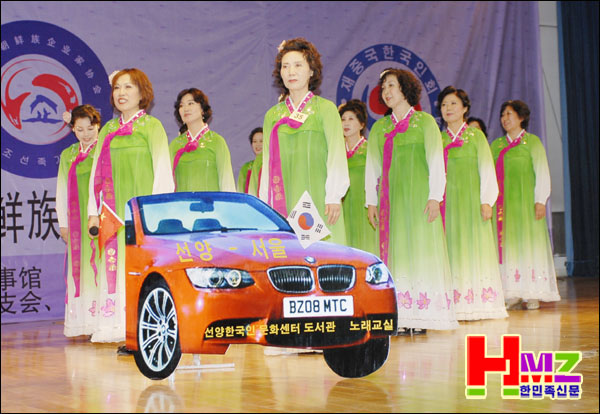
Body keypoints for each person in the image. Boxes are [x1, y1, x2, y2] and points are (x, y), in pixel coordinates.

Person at [365, 68, 457, 334]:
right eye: (383, 87)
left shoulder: (425, 122)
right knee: (398, 252)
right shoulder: (380, 128)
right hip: (391, 202)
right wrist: (371, 201)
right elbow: (372, 168)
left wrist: (435, 197)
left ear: (405, 89)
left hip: (420, 200)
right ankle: (402, 314)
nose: (386, 91)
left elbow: (436, 162)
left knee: (420, 250)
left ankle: (423, 314)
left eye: (391, 85)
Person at [87, 68, 174, 345]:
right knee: (114, 266)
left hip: (142, 214)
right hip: (112, 214)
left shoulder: (152, 127)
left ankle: (143, 328)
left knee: (142, 269)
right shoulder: (108, 130)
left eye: (128, 87)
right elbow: (95, 175)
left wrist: (159, 214)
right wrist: (93, 212)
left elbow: (162, 171)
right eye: (117, 88)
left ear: (142, 93)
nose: (121, 93)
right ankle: (115, 326)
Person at [259, 37, 349, 245]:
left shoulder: (325, 109)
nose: (291, 72)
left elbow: (336, 155)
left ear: (311, 71)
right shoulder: (272, 115)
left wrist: (334, 196)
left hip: (320, 197)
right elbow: (267, 164)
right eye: (285, 66)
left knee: (323, 255)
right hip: (285, 197)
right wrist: (265, 205)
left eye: (298, 65)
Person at [437, 86, 507, 321]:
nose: (448, 108)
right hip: (446, 205)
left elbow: (486, 169)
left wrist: (487, 201)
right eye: (444, 105)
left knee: (473, 248)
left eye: (453, 103)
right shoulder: (438, 139)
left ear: (465, 108)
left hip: (472, 203)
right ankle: (454, 302)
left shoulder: (476, 137)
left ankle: (478, 301)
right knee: (451, 248)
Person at [490, 100, 560, 310]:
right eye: (503, 114)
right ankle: (512, 292)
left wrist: (540, 200)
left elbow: (542, 172)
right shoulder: (496, 146)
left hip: (527, 205)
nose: (505, 118)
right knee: (509, 247)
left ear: (521, 118)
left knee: (529, 245)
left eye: (509, 114)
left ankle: (532, 293)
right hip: (503, 208)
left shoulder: (532, 142)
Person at [56, 105, 101, 337]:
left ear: (98, 126)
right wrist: (63, 223)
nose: (86, 134)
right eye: (80, 129)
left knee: (99, 266)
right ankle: (83, 321)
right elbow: (61, 189)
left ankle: (102, 320)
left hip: (100, 218)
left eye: (90, 128)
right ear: (72, 129)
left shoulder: (104, 151)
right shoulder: (68, 154)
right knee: (81, 268)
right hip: (76, 222)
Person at [170, 88, 236, 192]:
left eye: (190, 103)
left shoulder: (217, 141)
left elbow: (227, 183)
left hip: (210, 202)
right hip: (181, 202)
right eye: (181, 105)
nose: (185, 108)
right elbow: (167, 183)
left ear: (202, 109)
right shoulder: (175, 144)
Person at [338, 99, 378, 256]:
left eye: (351, 119)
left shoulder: (370, 150)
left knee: (366, 248)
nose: (346, 123)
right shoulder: (336, 151)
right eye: (343, 119)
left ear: (362, 124)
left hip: (365, 207)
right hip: (342, 207)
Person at [238, 127, 263, 195]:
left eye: (261, 141)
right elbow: (240, 192)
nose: (258, 144)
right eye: (254, 141)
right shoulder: (246, 167)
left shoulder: (272, 166)